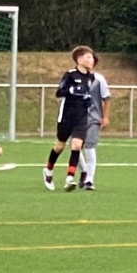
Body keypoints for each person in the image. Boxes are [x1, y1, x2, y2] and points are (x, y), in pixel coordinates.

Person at [46, 46, 98, 191]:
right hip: (67, 115)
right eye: (88, 57)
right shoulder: (70, 75)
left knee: (76, 145)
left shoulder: (91, 77)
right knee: (59, 146)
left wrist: (88, 100)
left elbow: (88, 94)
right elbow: (59, 92)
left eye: (92, 57)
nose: (92, 60)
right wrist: (71, 90)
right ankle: (48, 170)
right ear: (79, 60)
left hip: (81, 116)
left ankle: (70, 178)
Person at [80, 55, 111, 190]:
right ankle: (84, 170)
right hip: (77, 118)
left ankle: (89, 180)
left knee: (90, 146)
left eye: (92, 59)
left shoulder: (99, 79)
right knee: (75, 147)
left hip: (93, 117)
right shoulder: (74, 78)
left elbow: (106, 98)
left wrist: (105, 117)